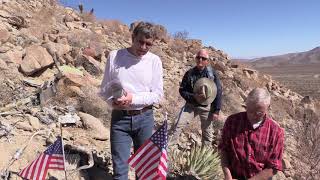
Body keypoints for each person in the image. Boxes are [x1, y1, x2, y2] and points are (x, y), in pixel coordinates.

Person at [100, 21, 163, 180]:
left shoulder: (154, 61)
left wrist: (132, 98)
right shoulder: (115, 56)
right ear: (133, 37)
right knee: (120, 170)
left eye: (148, 44)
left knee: (144, 169)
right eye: (140, 41)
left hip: (145, 119)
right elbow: (105, 89)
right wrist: (111, 101)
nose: (143, 47)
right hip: (120, 119)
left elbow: (157, 94)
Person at [219, 88, 284, 180]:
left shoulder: (275, 131)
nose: (253, 115)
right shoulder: (232, 121)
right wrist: (227, 175)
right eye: (249, 110)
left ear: (268, 107)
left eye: (259, 112)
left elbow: (274, 166)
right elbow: (224, 150)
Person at [172, 49, 222, 146]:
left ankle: (204, 156)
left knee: (207, 133)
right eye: (198, 57)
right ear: (195, 58)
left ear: (207, 61)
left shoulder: (212, 74)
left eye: (203, 58)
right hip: (191, 105)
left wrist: (216, 110)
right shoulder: (189, 73)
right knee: (177, 126)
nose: (200, 60)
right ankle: (168, 151)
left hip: (206, 107)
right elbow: (182, 90)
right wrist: (193, 97)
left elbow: (218, 91)